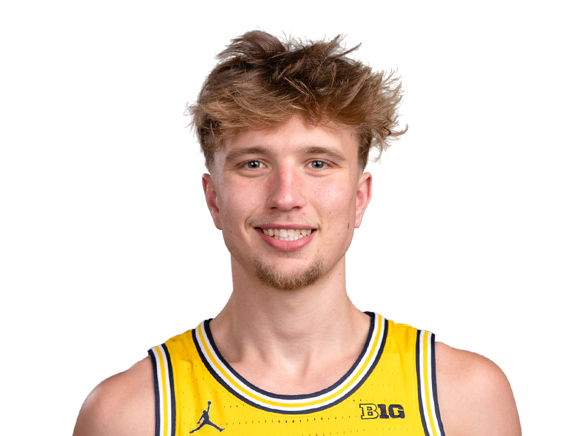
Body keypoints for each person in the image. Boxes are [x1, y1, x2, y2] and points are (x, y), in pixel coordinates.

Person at [73, 29, 521, 436]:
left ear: (360, 197)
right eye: (254, 163)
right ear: (213, 199)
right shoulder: (129, 415)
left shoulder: (462, 399)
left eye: (318, 163)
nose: (286, 197)